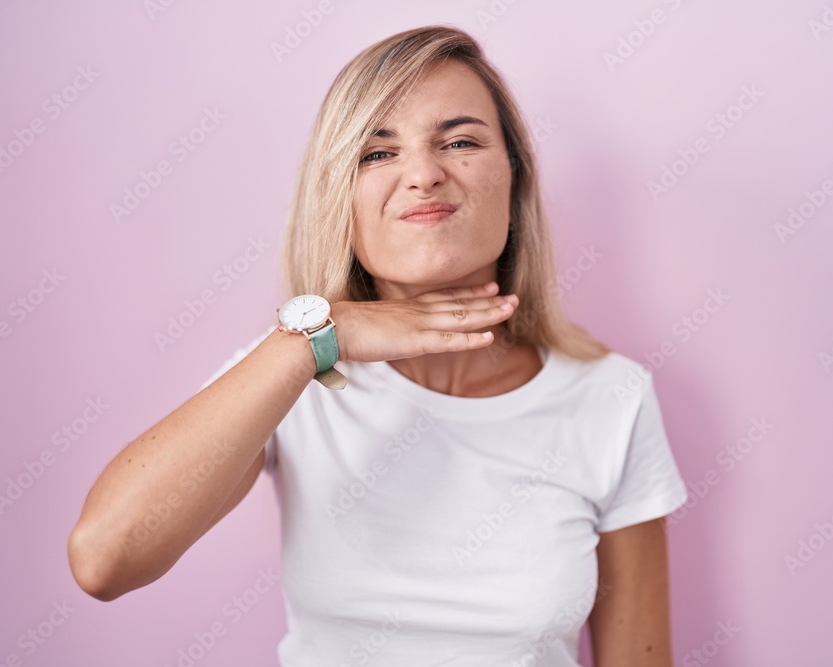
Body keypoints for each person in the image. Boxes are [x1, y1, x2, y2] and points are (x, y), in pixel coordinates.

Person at [67, 24, 688, 666]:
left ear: (515, 180)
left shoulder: (609, 397)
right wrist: (313, 339)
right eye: (376, 153)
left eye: (461, 140)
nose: (423, 173)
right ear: (341, 197)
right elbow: (104, 559)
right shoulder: (291, 371)